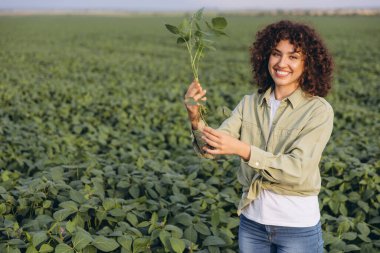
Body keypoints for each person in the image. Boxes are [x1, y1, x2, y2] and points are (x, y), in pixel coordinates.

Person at [184, 20, 334, 253]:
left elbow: (298, 168)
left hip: (296, 226)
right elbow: (210, 148)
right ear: (266, 57)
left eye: (293, 57)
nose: (282, 63)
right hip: (252, 223)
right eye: (276, 54)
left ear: (308, 63)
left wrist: (244, 150)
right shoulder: (249, 103)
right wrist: (194, 116)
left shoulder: (318, 111)